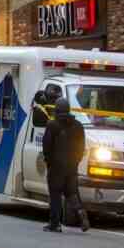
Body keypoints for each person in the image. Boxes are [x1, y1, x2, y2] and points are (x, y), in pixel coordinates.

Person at [42, 98, 90, 233]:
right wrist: (76, 161)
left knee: (55, 195)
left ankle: (55, 224)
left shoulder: (52, 125)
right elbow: (82, 148)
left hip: (56, 167)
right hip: (72, 166)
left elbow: (47, 147)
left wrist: (48, 162)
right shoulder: (78, 126)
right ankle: (80, 212)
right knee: (71, 192)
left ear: (56, 110)